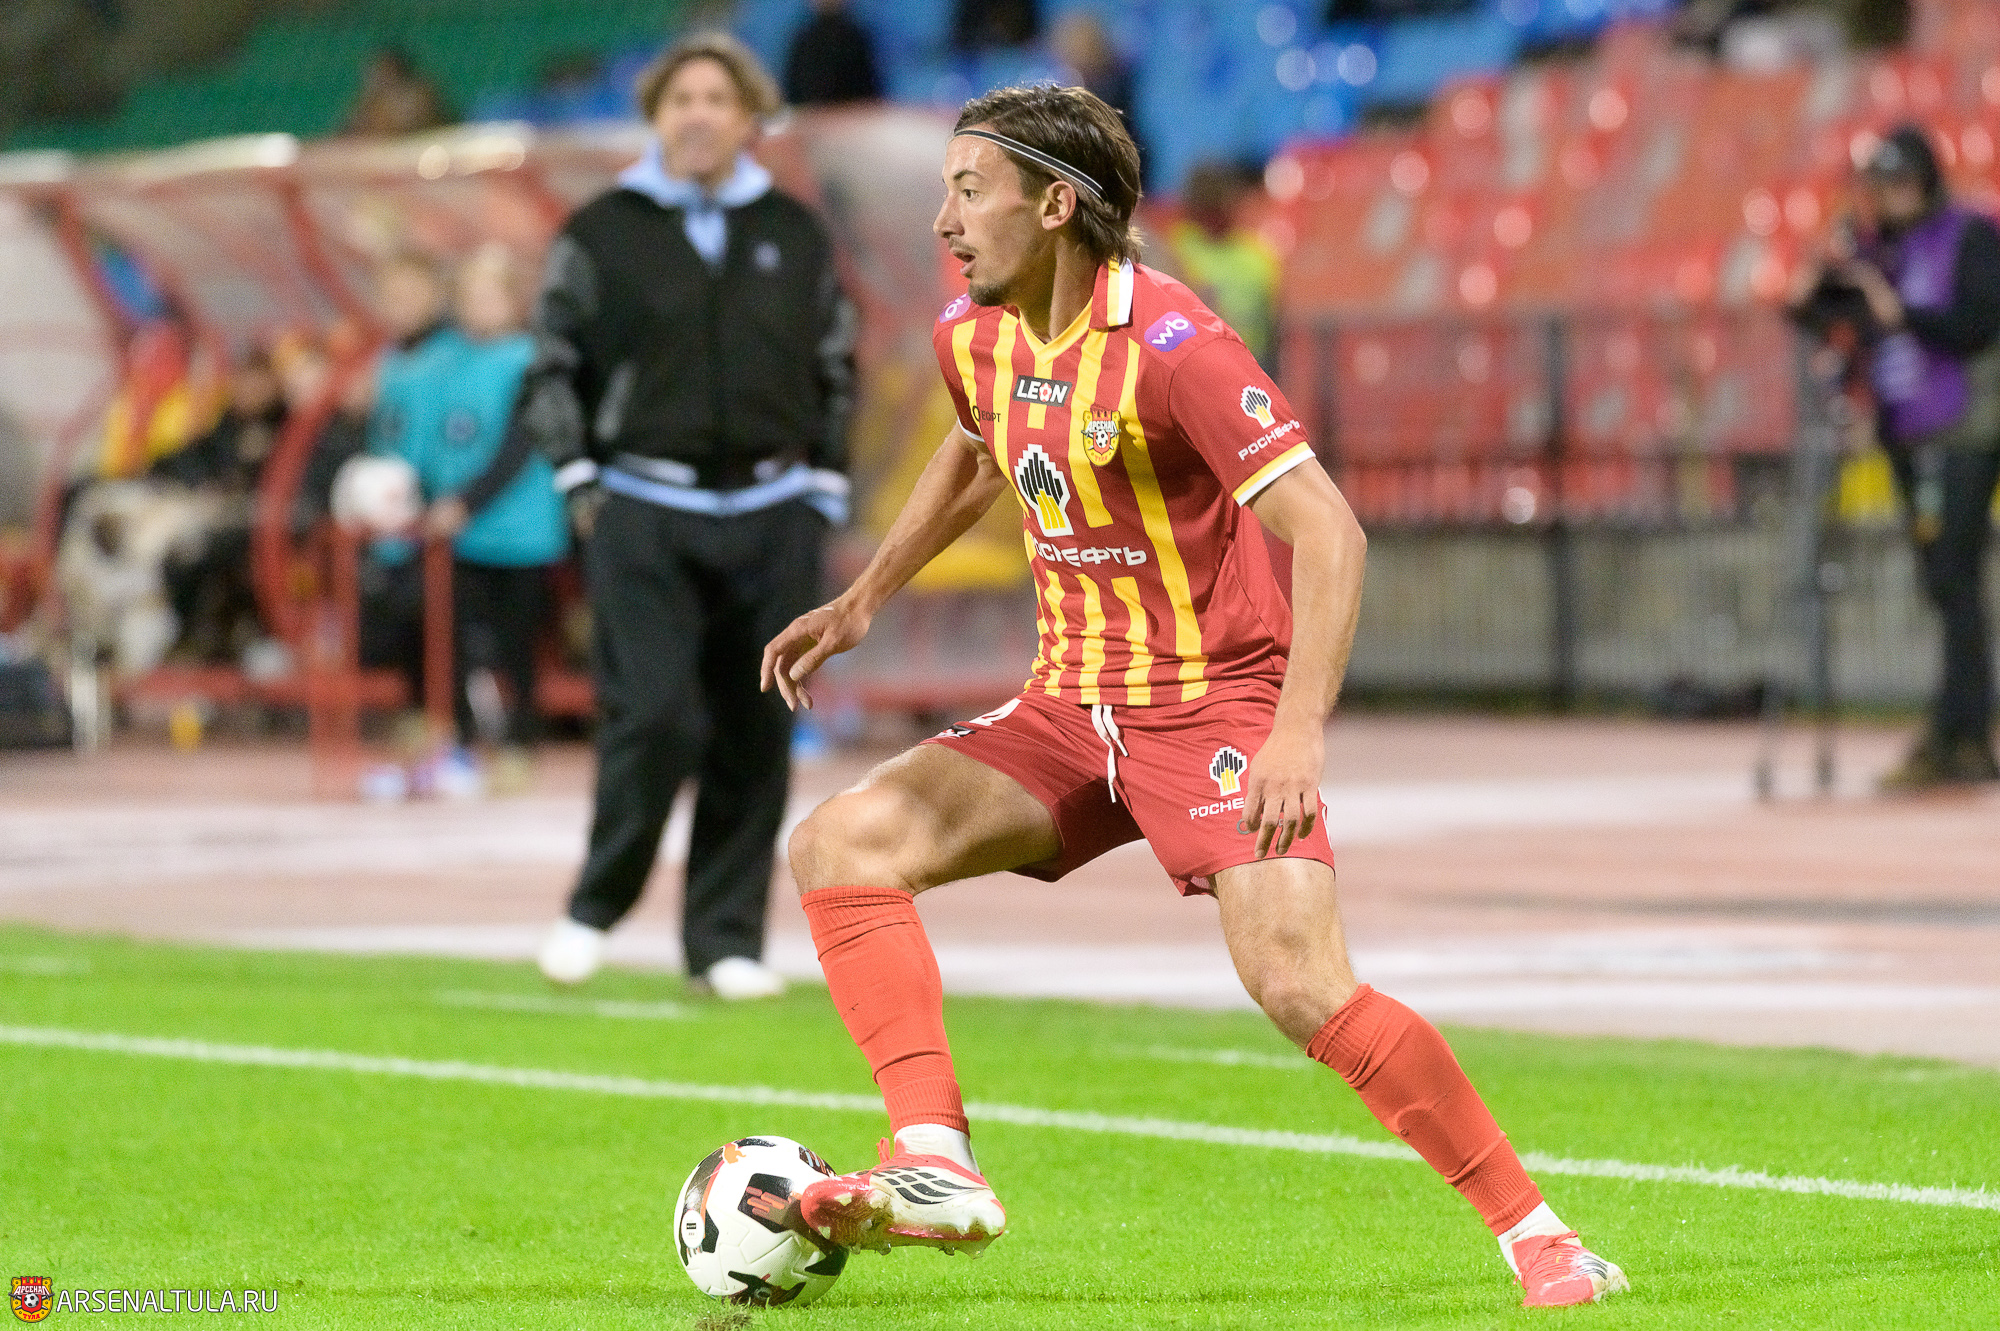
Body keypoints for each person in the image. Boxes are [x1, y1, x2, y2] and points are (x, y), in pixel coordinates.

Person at [758, 84, 1628, 1309]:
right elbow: (977, 444)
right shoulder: (976, 333)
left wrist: (1293, 734)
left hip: (1210, 706)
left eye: (968, 190)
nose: (944, 220)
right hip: (1067, 707)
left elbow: (1328, 530)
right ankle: (934, 1157)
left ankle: (1539, 1234)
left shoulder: (1175, 348)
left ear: (1054, 206)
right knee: (840, 842)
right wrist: (864, 599)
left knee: (1299, 983)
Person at [523, 33, 856, 999]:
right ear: (655, 117)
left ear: (750, 117)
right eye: (681, 99)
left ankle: (723, 942)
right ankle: (596, 905)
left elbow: (837, 360)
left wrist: (825, 483)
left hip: (775, 508)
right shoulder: (600, 230)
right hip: (644, 504)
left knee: (758, 729)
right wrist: (577, 476)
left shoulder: (795, 231)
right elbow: (552, 361)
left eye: (717, 98)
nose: (698, 115)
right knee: (656, 717)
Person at [1792, 126, 2000, 788]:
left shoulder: (1970, 236)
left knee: (1955, 578)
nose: (1890, 198)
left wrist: (1900, 312)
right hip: (1906, 432)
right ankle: (1961, 730)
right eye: (1881, 187)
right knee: (1943, 583)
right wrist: (1819, 286)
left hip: (1965, 427)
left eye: (1901, 184)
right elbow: (1824, 318)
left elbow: (1977, 326)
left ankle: (1960, 732)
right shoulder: (1877, 249)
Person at [381, 244, 568, 774]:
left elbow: (519, 445)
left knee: (516, 643)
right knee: (452, 635)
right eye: (470, 297)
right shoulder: (448, 360)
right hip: (461, 532)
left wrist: (465, 502)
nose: (479, 308)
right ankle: (460, 736)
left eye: (490, 296)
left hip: (519, 530)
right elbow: (433, 438)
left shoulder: (531, 360)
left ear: (513, 301)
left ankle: (520, 741)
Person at [1166, 159, 1281, 370]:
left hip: (1251, 364)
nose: (1212, 214)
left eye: (1217, 203)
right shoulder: (1175, 247)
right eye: (1205, 203)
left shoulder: (1259, 256)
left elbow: (1275, 326)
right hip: (1193, 363)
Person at [783, 0, 882, 107]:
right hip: (813, 112)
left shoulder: (855, 39)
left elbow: (867, 93)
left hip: (850, 112)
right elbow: (794, 95)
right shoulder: (804, 41)